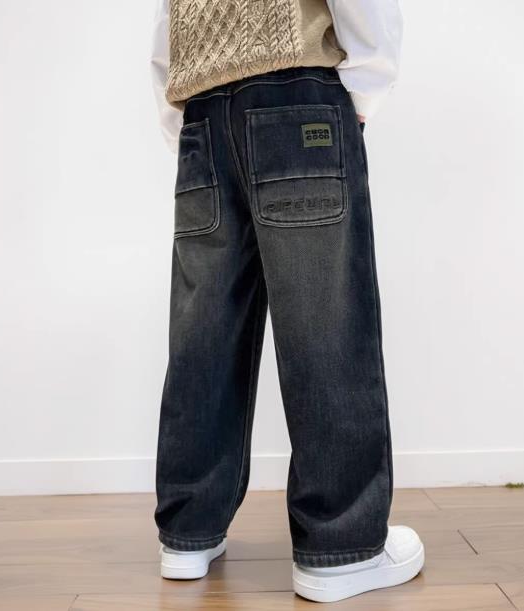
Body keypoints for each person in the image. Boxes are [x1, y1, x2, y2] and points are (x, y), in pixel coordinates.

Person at [150, 0, 424, 603]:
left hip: (202, 115)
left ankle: (188, 532)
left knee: (204, 328)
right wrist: (363, 91)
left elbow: (167, 31)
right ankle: (341, 545)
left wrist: (185, 121)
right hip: (298, 100)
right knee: (326, 319)